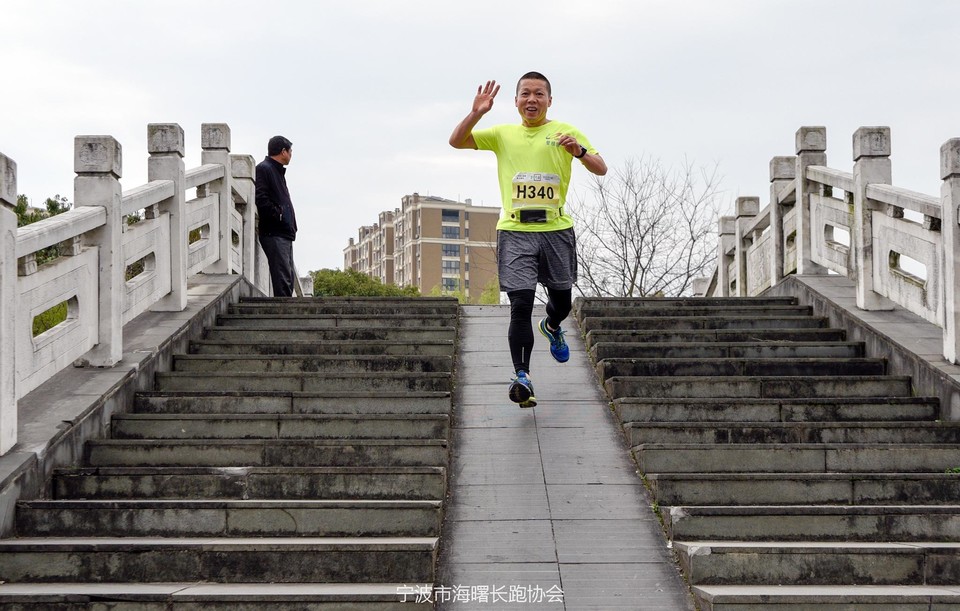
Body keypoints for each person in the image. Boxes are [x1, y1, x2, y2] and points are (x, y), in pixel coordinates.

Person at [449, 72, 607, 407]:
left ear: (550, 100)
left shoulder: (565, 132)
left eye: (538, 94)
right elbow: (457, 141)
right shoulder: (503, 134)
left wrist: (578, 151)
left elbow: (600, 167)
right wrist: (477, 113)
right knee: (520, 305)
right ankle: (522, 376)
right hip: (515, 230)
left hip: (555, 230)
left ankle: (551, 325)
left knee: (562, 302)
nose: (531, 100)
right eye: (525, 94)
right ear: (516, 101)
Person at [255, 135, 298, 297]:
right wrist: (279, 215)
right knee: (282, 278)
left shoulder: (277, 172)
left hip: (284, 232)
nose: (291, 154)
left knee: (287, 277)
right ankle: (285, 317)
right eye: (290, 151)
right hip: (274, 231)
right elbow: (261, 198)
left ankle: (287, 315)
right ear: (283, 151)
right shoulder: (264, 169)